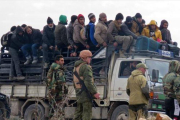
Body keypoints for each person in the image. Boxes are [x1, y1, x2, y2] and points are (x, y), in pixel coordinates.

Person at [73, 50, 100, 120]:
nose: (90, 59)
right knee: (87, 114)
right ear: (84, 58)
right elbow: (88, 82)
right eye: (89, 57)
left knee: (78, 113)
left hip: (79, 93)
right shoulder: (86, 67)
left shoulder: (76, 67)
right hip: (85, 93)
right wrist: (94, 92)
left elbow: (74, 82)